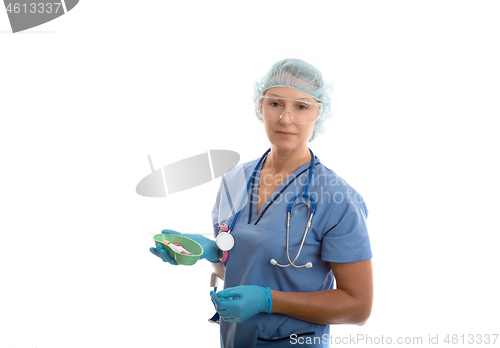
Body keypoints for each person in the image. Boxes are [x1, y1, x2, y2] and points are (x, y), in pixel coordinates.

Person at [150, 58, 373, 347]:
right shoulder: (234, 180)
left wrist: (269, 301)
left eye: (301, 107)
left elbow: (358, 308)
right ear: (260, 106)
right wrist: (209, 254)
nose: (286, 118)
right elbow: (238, 269)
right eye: (275, 103)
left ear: (319, 113)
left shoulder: (337, 198)